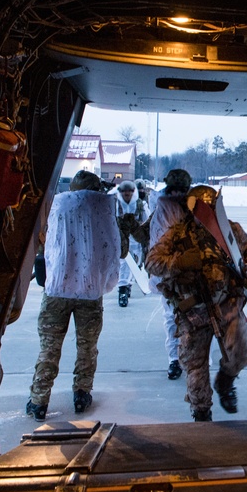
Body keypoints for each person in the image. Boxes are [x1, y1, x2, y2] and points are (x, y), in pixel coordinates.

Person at [146, 185, 247, 421]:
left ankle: (226, 380)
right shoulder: (178, 234)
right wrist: (179, 263)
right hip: (194, 310)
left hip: (227, 303)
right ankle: (201, 413)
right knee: (195, 368)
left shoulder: (231, 231)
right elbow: (152, 262)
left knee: (242, 350)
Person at [25, 170, 120, 421]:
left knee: (49, 347)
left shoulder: (58, 205)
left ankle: (39, 401)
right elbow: (115, 250)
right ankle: (81, 394)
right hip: (90, 291)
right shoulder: (104, 208)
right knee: (87, 347)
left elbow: (44, 242)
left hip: (57, 289)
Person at [148, 168, 193, 381]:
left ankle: (187, 358)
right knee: (173, 318)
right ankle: (176, 359)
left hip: (188, 274)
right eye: (174, 190)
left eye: (181, 190)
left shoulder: (194, 208)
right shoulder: (162, 209)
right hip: (172, 274)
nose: (177, 194)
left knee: (190, 318)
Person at [115, 179, 150, 307]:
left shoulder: (140, 204)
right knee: (125, 263)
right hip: (122, 239)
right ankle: (123, 289)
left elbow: (147, 220)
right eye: (124, 191)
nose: (127, 194)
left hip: (136, 240)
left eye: (130, 191)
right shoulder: (116, 204)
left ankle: (127, 285)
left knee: (134, 264)